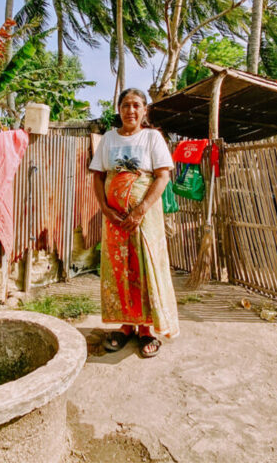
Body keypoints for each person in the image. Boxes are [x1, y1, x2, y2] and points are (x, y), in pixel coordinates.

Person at [89, 88, 180, 358]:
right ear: (119, 109)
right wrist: (105, 209)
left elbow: (162, 177)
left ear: (144, 110)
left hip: (144, 219)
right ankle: (126, 326)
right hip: (114, 221)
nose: (131, 110)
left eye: (136, 105)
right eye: (126, 105)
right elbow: (97, 176)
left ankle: (146, 330)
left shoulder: (152, 137)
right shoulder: (108, 139)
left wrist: (139, 211)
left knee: (144, 267)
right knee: (120, 270)